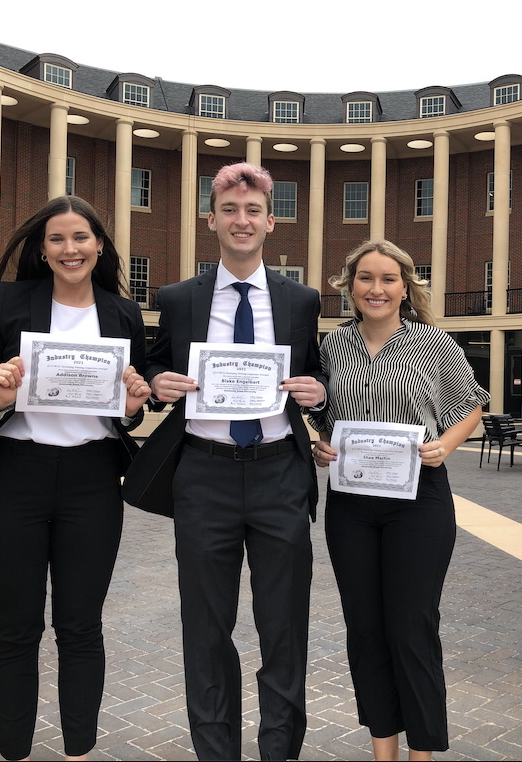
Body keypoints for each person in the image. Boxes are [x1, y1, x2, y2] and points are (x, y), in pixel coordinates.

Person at [123, 162, 327, 760]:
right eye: (231, 210)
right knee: (205, 628)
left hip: (278, 472)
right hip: (204, 474)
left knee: (284, 626)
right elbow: (152, 364)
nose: (243, 221)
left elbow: (314, 369)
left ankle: (278, 752)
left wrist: (316, 389)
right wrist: (159, 381)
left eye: (254, 211)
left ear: (270, 223)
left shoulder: (301, 300)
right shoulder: (178, 299)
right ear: (212, 220)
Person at [0, 195, 151, 762]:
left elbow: (126, 408)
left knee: (81, 627)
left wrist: (136, 404)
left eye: (82, 238)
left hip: (91, 479)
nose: (71, 249)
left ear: (99, 247)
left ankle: (79, 752)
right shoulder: (10, 303)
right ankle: (14, 751)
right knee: (15, 630)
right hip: (12, 478)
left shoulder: (121, 313)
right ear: (41, 249)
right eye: (59, 239)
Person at [309, 239, 490, 761]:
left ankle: (422, 752)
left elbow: (470, 407)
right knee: (365, 628)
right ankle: (383, 750)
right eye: (366, 278)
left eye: (388, 279)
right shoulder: (331, 347)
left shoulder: (432, 341)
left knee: (411, 627)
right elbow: (322, 416)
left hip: (419, 501)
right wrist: (320, 446)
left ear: (405, 287)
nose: (376, 288)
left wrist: (444, 446)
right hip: (352, 503)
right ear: (350, 286)